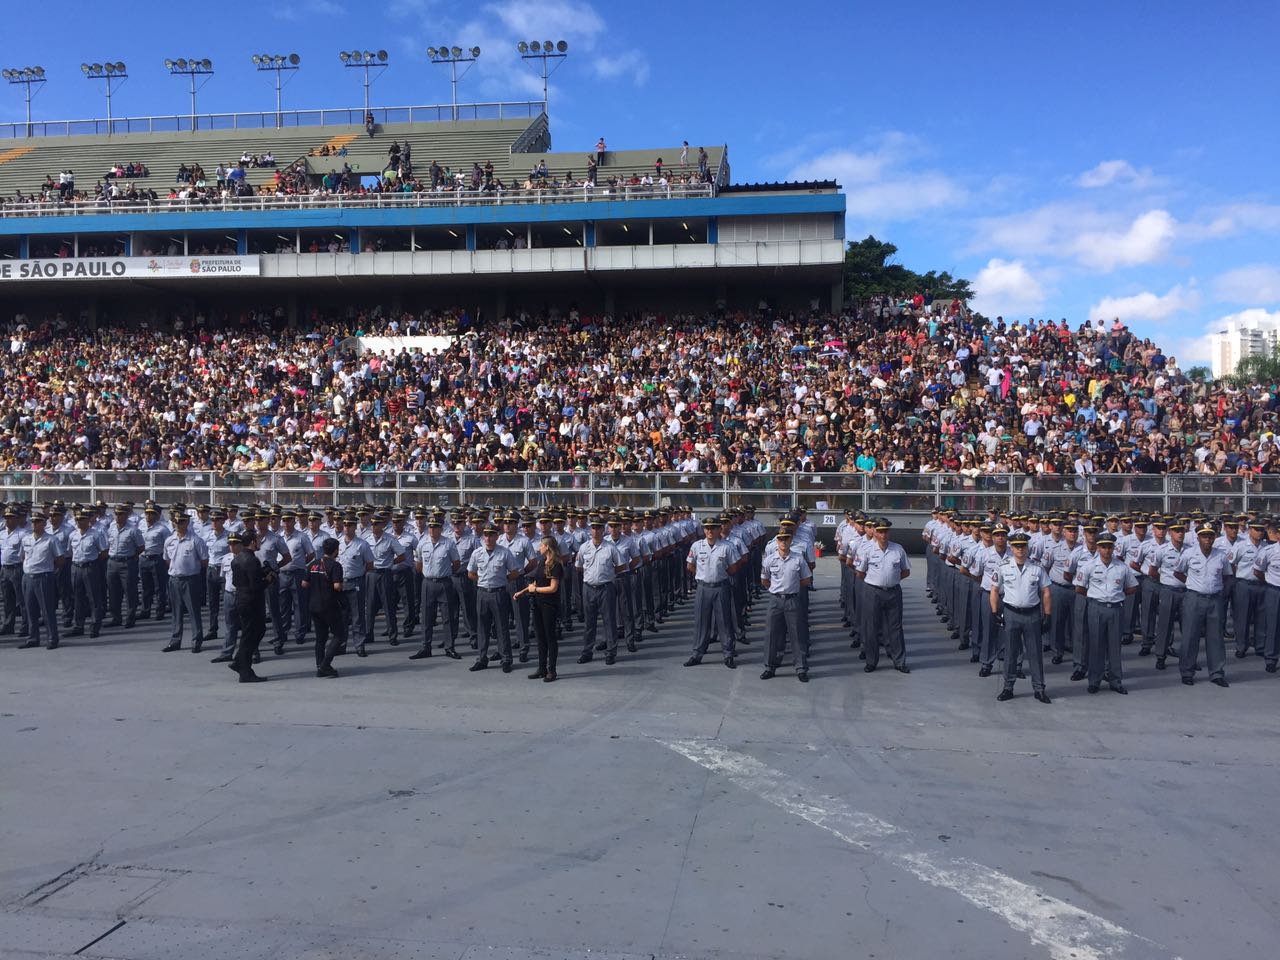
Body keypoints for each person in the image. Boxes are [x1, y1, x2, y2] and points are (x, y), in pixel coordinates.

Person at [991, 531, 1051, 703]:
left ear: (1027, 547)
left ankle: (1039, 689)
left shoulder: (1037, 568)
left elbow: (1046, 591)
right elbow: (994, 590)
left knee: (1035, 654)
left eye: (1023, 546)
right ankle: (1008, 688)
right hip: (1011, 613)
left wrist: (1047, 615)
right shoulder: (1003, 567)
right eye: (1017, 546)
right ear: (1011, 547)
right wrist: (995, 612)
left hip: (1032, 614)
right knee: (1010, 653)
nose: (1020, 549)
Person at [1077, 531, 1138, 694]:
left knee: (1114, 647)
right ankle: (1094, 680)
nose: (1106, 550)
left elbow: (1132, 587)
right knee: (1096, 645)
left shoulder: (1122, 567)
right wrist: (1096, 597)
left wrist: (1118, 596)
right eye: (1103, 547)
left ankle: (1116, 680)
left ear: (1114, 548)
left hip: (1116, 609)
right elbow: (1080, 587)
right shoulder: (1089, 566)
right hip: (1096, 608)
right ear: (1098, 548)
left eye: (1109, 547)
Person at [1175, 523, 1231, 687]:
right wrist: (1193, 584)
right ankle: (1187, 672)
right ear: (1198, 537)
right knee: (1190, 636)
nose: (1207, 539)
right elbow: (1178, 572)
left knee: (1216, 637)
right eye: (1204, 536)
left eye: (1210, 536)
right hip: (1194, 598)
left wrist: (1218, 589)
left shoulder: (1221, 555)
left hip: (1215, 599)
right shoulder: (1188, 554)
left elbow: (1227, 575)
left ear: (1214, 537)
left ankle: (1216, 673)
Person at [855, 519, 912, 674]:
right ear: (875, 532)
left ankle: (899, 661)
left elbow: (906, 571)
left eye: (886, 531)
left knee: (895, 627)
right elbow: (860, 572)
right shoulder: (867, 550)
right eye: (880, 531)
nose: (883, 534)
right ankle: (871, 661)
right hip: (873, 591)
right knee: (871, 627)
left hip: (893, 591)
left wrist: (891, 580)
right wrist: (877, 581)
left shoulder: (897, 549)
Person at [684, 516, 741, 669]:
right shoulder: (697, 546)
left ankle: (728, 654)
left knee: (724, 622)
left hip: (721, 587)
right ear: (704, 530)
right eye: (707, 528)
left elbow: (734, 567)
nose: (710, 531)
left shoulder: (726, 547)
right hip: (703, 588)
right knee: (701, 622)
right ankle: (697, 654)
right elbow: (690, 565)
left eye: (713, 528)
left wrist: (719, 574)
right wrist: (702, 575)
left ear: (719, 529)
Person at [467, 523, 523, 673]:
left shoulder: (504, 553)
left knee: (501, 627)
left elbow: (515, 572)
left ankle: (506, 659)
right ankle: (482, 659)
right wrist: (482, 580)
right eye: (486, 534)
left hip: (499, 593)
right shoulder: (477, 553)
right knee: (482, 628)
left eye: (491, 534)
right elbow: (470, 573)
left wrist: (503, 580)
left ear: (497, 536)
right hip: (482, 593)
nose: (488, 537)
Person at [759, 530, 811, 681]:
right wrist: (777, 590)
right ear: (777, 541)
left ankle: (801, 668)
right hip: (775, 600)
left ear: (790, 540)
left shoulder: (798, 559)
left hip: (792, 599)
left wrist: (791, 587)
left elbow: (806, 579)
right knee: (771, 634)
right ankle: (769, 667)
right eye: (780, 539)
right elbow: (764, 580)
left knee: (797, 634)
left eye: (786, 539)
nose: (783, 542)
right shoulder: (769, 560)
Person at [577, 515, 626, 665]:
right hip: (588, 588)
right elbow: (578, 566)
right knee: (589, 623)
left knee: (609, 621)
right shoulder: (584, 547)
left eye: (599, 527)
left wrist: (608, 574)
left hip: (606, 588)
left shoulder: (611, 548)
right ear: (590, 530)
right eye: (593, 527)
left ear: (604, 530)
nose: (596, 530)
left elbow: (621, 566)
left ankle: (611, 652)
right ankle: (587, 652)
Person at [411, 517, 461, 660]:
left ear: (441, 529)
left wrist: (445, 573)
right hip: (427, 583)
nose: (432, 529)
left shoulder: (449, 544)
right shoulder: (423, 543)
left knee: (447, 617)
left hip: (444, 583)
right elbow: (418, 565)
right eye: (430, 527)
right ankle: (425, 647)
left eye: (435, 527)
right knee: (426, 617)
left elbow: (456, 564)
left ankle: (449, 647)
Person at [515, 536, 562, 681]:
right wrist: (523, 591)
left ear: (547, 547)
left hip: (549, 605)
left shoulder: (556, 565)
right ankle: (542, 668)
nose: (539, 548)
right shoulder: (542, 562)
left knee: (550, 638)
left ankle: (551, 670)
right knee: (540, 638)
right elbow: (536, 580)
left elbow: (553, 588)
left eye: (541, 545)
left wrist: (535, 590)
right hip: (537, 603)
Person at [162, 513, 208, 653]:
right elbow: (167, 559)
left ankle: (196, 640)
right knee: (176, 612)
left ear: (187, 523)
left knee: (194, 611)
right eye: (175, 522)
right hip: (174, 579)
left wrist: (190, 570)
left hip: (190, 580)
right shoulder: (169, 540)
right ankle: (175, 640)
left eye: (181, 522)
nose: (178, 524)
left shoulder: (195, 540)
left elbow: (204, 561)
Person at [230, 529, 270, 682]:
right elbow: (256, 586)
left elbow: (236, 581)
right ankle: (242, 666)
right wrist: (268, 579)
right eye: (258, 540)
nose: (260, 542)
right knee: (253, 633)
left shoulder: (237, 558)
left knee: (249, 633)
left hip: (241, 599)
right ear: (253, 542)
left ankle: (241, 663)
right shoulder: (252, 560)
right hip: (252, 601)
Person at [18, 512, 62, 649]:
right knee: (30, 609)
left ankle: (52, 638)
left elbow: (60, 560)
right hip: (28, 578)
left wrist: (49, 570)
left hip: (44, 577)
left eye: (38, 521)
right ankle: (33, 638)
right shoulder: (26, 539)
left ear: (44, 523)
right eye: (33, 521)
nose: (34, 524)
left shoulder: (51, 540)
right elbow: (22, 557)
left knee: (47, 610)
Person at [302, 537, 344, 679]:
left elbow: (304, 584)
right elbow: (337, 586)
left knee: (320, 637)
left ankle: (319, 667)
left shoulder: (313, 564)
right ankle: (326, 664)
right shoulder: (335, 565)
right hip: (329, 605)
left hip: (314, 605)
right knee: (339, 634)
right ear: (336, 550)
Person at [66, 509, 107, 638]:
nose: (79, 522)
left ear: (88, 520)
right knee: (77, 598)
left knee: (94, 598)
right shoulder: (73, 535)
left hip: (90, 567)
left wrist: (93, 562)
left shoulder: (96, 534)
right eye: (77, 519)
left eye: (82, 519)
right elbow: (70, 551)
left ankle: (95, 626)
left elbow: (104, 552)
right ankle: (78, 625)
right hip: (76, 567)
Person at [1, 504, 28, 638]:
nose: (8, 520)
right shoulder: (1, 533)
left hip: (17, 568)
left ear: (17, 519)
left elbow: (25, 554)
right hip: (5, 568)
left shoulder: (23, 534)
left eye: (11, 518)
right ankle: (8, 625)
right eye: (6, 518)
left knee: (22, 599)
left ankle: (25, 625)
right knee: (7, 599)